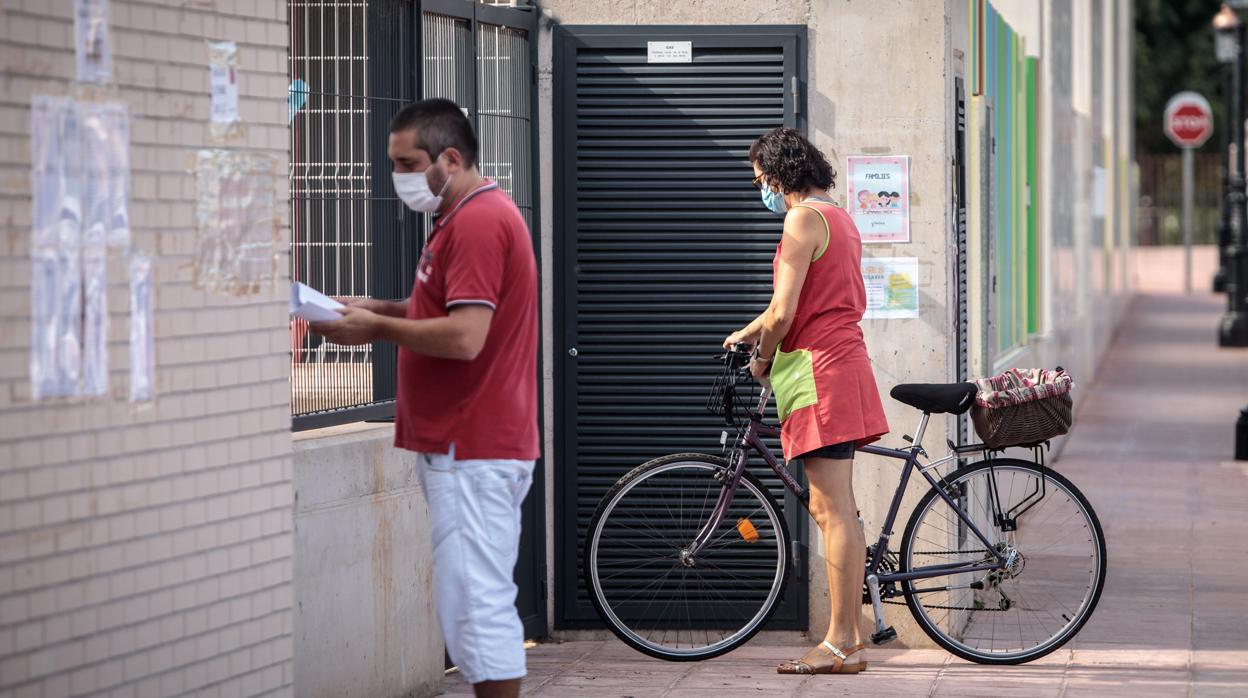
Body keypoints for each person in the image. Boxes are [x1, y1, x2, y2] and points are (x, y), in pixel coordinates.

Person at [309, 98, 538, 698]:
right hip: (470, 444)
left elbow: (465, 337)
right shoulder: (460, 217)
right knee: (470, 603)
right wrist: (372, 309)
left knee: (477, 608)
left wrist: (376, 330)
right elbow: (442, 312)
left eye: (408, 163)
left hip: (474, 445)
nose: (400, 176)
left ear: (450, 158)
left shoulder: (479, 221)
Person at [724, 127, 890, 676]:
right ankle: (847, 639)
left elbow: (785, 312)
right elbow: (800, 305)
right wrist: (749, 332)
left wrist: (762, 356)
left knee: (831, 509)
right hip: (840, 363)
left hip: (820, 372)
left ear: (779, 174)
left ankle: (843, 642)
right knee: (834, 507)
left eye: (760, 180)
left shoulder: (800, 219)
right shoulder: (838, 216)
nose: (761, 192)